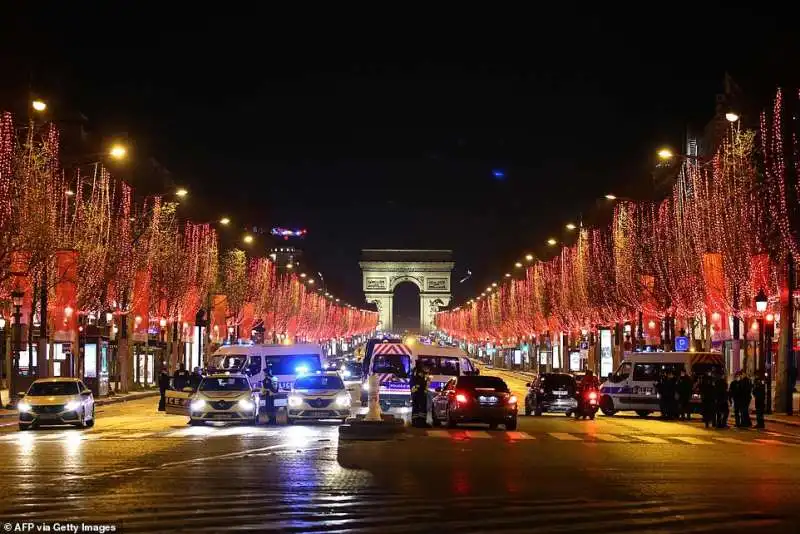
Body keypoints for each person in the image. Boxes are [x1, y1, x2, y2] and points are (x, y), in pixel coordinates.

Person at [409, 362, 429, 428]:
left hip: (416, 393)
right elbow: (421, 382)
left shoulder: (415, 371)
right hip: (420, 393)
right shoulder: (419, 372)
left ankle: (415, 422)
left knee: (416, 408)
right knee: (421, 408)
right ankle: (421, 422)